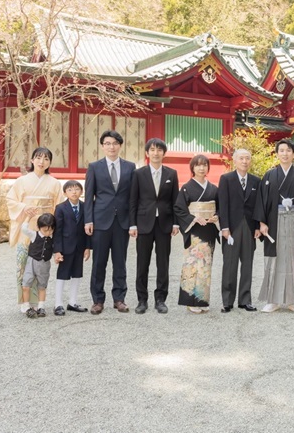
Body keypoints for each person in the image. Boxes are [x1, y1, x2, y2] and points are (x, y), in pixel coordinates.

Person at [254, 139, 294, 313]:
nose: (284, 153)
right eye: (281, 150)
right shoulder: (269, 176)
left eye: (288, 150)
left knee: (293, 260)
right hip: (274, 223)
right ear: (277, 154)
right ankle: (272, 300)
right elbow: (261, 200)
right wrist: (262, 222)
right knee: (274, 259)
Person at [84, 130, 136, 315]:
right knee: (99, 262)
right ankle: (98, 300)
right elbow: (89, 195)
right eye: (107, 143)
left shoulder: (130, 167)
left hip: (122, 221)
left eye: (114, 143)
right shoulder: (94, 167)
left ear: (120, 145)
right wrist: (88, 219)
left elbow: (132, 198)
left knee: (120, 262)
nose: (111, 147)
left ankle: (119, 299)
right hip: (100, 221)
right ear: (102, 146)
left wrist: (133, 222)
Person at [6, 147, 63, 313]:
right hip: (27, 227)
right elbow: (10, 200)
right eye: (38, 157)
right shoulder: (22, 181)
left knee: (41, 266)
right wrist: (24, 207)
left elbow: (58, 208)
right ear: (32, 160)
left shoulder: (54, 183)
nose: (41, 161)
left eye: (46, 158)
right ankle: (24, 302)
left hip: (45, 230)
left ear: (49, 163)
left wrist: (53, 229)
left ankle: (39, 303)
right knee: (23, 266)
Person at [129, 138, 180, 315]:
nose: (156, 153)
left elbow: (175, 200)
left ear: (164, 153)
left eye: (159, 150)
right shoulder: (138, 174)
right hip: (143, 223)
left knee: (163, 263)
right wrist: (132, 224)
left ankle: (161, 299)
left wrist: (176, 223)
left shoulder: (171, 174)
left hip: (164, 223)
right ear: (147, 153)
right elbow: (133, 200)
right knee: (142, 263)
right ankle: (142, 300)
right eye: (152, 149)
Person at [217, 149, 261, 313]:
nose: (244, 161)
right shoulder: (226, 179)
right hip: (232, 227)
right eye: (241, 158)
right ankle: (227, 301)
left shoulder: (256, 181)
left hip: (249, 227)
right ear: (234, 161)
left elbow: (258, 206)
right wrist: (225, 227)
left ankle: (245, 300)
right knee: (230, 264)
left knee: (247, 264)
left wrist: (257, 226)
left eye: (247, 158)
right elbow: (223, 204)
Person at [175, 155, 219, 313]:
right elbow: (179, 208)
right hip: (194, 229)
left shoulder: (214, 188)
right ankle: (190, 301)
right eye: (198, 165)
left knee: (206, 265)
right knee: (193, 264)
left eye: (204, 165)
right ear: (192, 168)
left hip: (209, 229)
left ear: (208, 168)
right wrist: (194, 218)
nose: (201, 168)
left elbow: (220, 207)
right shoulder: (186, 188)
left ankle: (202, 300)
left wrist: (217, 216)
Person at [52, 180, 91, 316]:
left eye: (76, 189)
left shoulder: (85, 206)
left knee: (77, 274)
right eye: (70, 190)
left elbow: (88, 227)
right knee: (62, 275)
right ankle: (58, 304)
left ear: (81, 191)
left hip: (80, 246)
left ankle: (73, 302)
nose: (74, 192)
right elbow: (57, 230)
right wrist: (57, 250)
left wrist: (87, 247)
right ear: (65, 193)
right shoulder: (61, 208)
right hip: (65, 246)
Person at [20, 213, 56, 318]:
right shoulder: (34, 235)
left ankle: (41, 307)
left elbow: (54, 250)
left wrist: (56, 257)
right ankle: (26, 306)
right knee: (26, 284)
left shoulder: (53, 237)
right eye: (45, 230)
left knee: (42, 286)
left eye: (50, 230)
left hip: (45, 263)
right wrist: (28, 217)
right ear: (39, 228)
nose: (48, 232)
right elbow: (23, 229)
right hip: (31, 262)